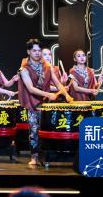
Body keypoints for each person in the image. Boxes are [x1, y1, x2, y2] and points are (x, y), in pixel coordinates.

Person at [18, 38, 60, 167]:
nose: (37, 53)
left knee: (48, 129)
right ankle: (34, 157)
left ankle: (47, 155)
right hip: (33, 103)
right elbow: (30, 88)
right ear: (28, 52)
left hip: (46, 103)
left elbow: (57, 84)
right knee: (34, 130)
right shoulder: (24, 69)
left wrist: (65, 92)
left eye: (39, 50)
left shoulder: (46, 66)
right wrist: (48, 94)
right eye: (34, 50)